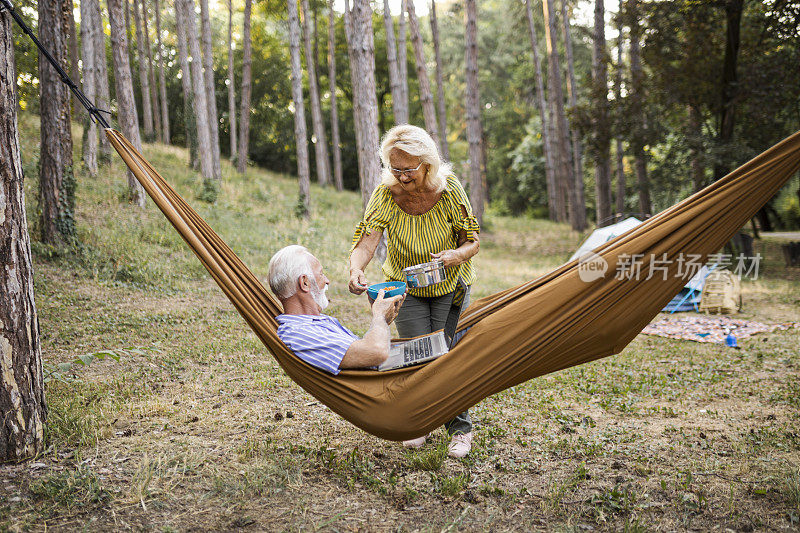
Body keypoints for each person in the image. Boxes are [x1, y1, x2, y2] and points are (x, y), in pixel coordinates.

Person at [348, 124, 480, 458]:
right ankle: (419, 422)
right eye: (395, 168)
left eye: (409, 170)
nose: (403, 177)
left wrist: (456, 255)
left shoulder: (448, 190)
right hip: (405, 288)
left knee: (447, 356)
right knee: (415, 355)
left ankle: (460, 430)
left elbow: (472, 240)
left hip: (450, 284)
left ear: (427, 164)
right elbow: (368, 240)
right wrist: (356, 268)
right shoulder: (386, 193)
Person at [269, 245, 405, 375]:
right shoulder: (299, 334)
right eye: (321, 274)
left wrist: (383, 320)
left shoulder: (314, 323)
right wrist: (379, 317)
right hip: (389, 386)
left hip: (390, 371)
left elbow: (362, 352)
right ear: (305, 282)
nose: (327, 280)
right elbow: (376, 352)